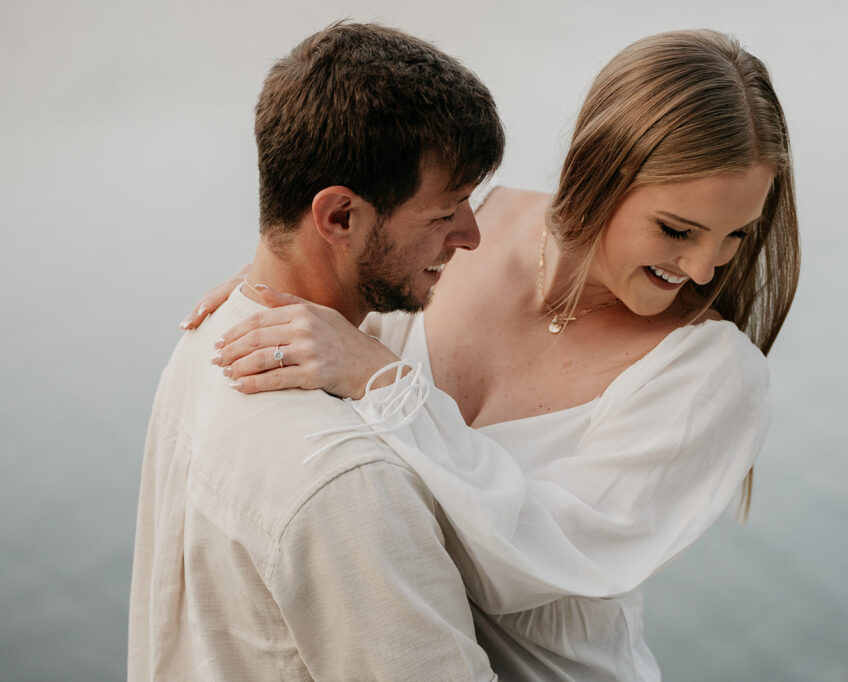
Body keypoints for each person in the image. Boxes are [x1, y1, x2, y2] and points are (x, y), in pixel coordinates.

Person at [187, 29, 800, 681]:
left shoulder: (711, 377)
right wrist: (289, 291)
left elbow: (521, 563)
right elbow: (343, 308)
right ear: (600, 170)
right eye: (677, 230)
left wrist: (384, 381)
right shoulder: (475, 220)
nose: (705, 269)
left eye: (737, 235)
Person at [128, 21, 505, 681]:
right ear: (337, 216)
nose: (472, 236)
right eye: (446, 212)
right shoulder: (347, 482)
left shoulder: (204, 339)